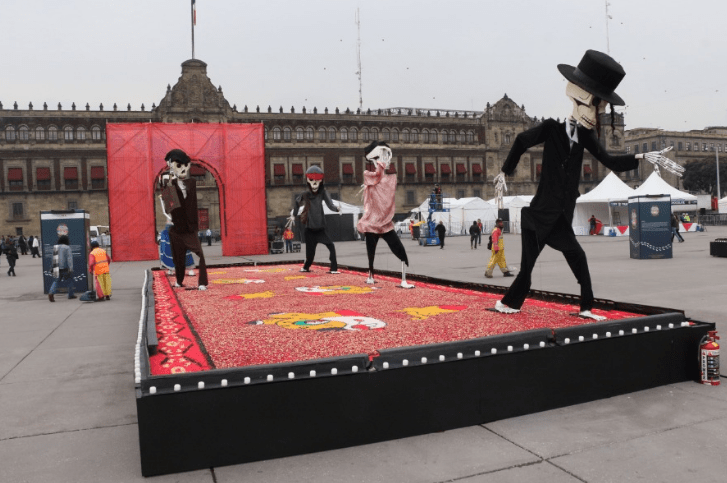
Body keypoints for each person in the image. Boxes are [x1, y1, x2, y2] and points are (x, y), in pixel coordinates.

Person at [493, 50, 651, 321]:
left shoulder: (584, 136)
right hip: (539, 213)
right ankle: (510, 303)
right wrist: (504, 172)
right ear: (578, 96)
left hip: (559, 217)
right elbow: (520, 141)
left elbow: (609, 159)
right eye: (597, 105)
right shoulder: (551, 129)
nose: (598, 112)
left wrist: (640, 157)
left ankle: (585, 307)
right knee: (528, 267)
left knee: (576, 258)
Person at [357, 141, 414, 288]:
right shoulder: (369, 175)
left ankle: (403, 279)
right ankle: (371, 275)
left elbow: (383, 180)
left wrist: (381, 163)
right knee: (371, 251)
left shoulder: (389, 178)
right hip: (372, 223)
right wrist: (380, 164)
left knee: (398, 249)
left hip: (385, 223)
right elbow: (377, 175)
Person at [160, 149, 209, 290]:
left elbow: (189, 203)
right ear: (170, 166)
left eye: (184, 166)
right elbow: (169, 207)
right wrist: (167, 185)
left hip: (189, 227)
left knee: (200, 253)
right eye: (177, 165)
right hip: (176, 228)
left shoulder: (191, 183)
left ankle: (202, 282)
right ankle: (179, 280)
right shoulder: (168, 184)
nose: (182, 169)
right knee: (177, 257)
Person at [290, 165, 340, 273]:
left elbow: (330, 204)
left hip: (320, 228)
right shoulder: (306, 194)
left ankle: (334, 268)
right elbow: (297, 203)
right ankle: (305, 267)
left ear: (321, 181)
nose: (314, 183)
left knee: (331, 245)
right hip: (310, 230)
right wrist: (293, 215)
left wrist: (336, 209)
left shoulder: (323, 193)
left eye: (317, 180)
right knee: (310, 254)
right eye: (311, 180)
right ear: (308, 181)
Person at [48, 235, 75, 301]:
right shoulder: (67, 247)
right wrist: (70, 268)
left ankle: (51, 293)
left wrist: (52, 267)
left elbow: (53, 257)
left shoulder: (55, 247)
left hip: (56, 267)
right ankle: (70, 295)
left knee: (56, 281)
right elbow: (69, 258)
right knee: (69, 281)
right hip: (65, 267)